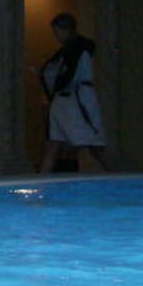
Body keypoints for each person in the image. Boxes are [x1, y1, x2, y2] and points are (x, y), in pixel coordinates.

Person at [36, 12, 110, 174]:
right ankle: (41, 182)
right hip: (64, 101)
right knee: (53, 145)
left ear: (67, 29)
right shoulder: (67, 52)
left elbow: (68, 74)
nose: (56, 36)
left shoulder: (79, 50)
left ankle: (120, 178)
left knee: (94, 145)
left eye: (57, 32)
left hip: (77, 99)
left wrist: (55, 82)